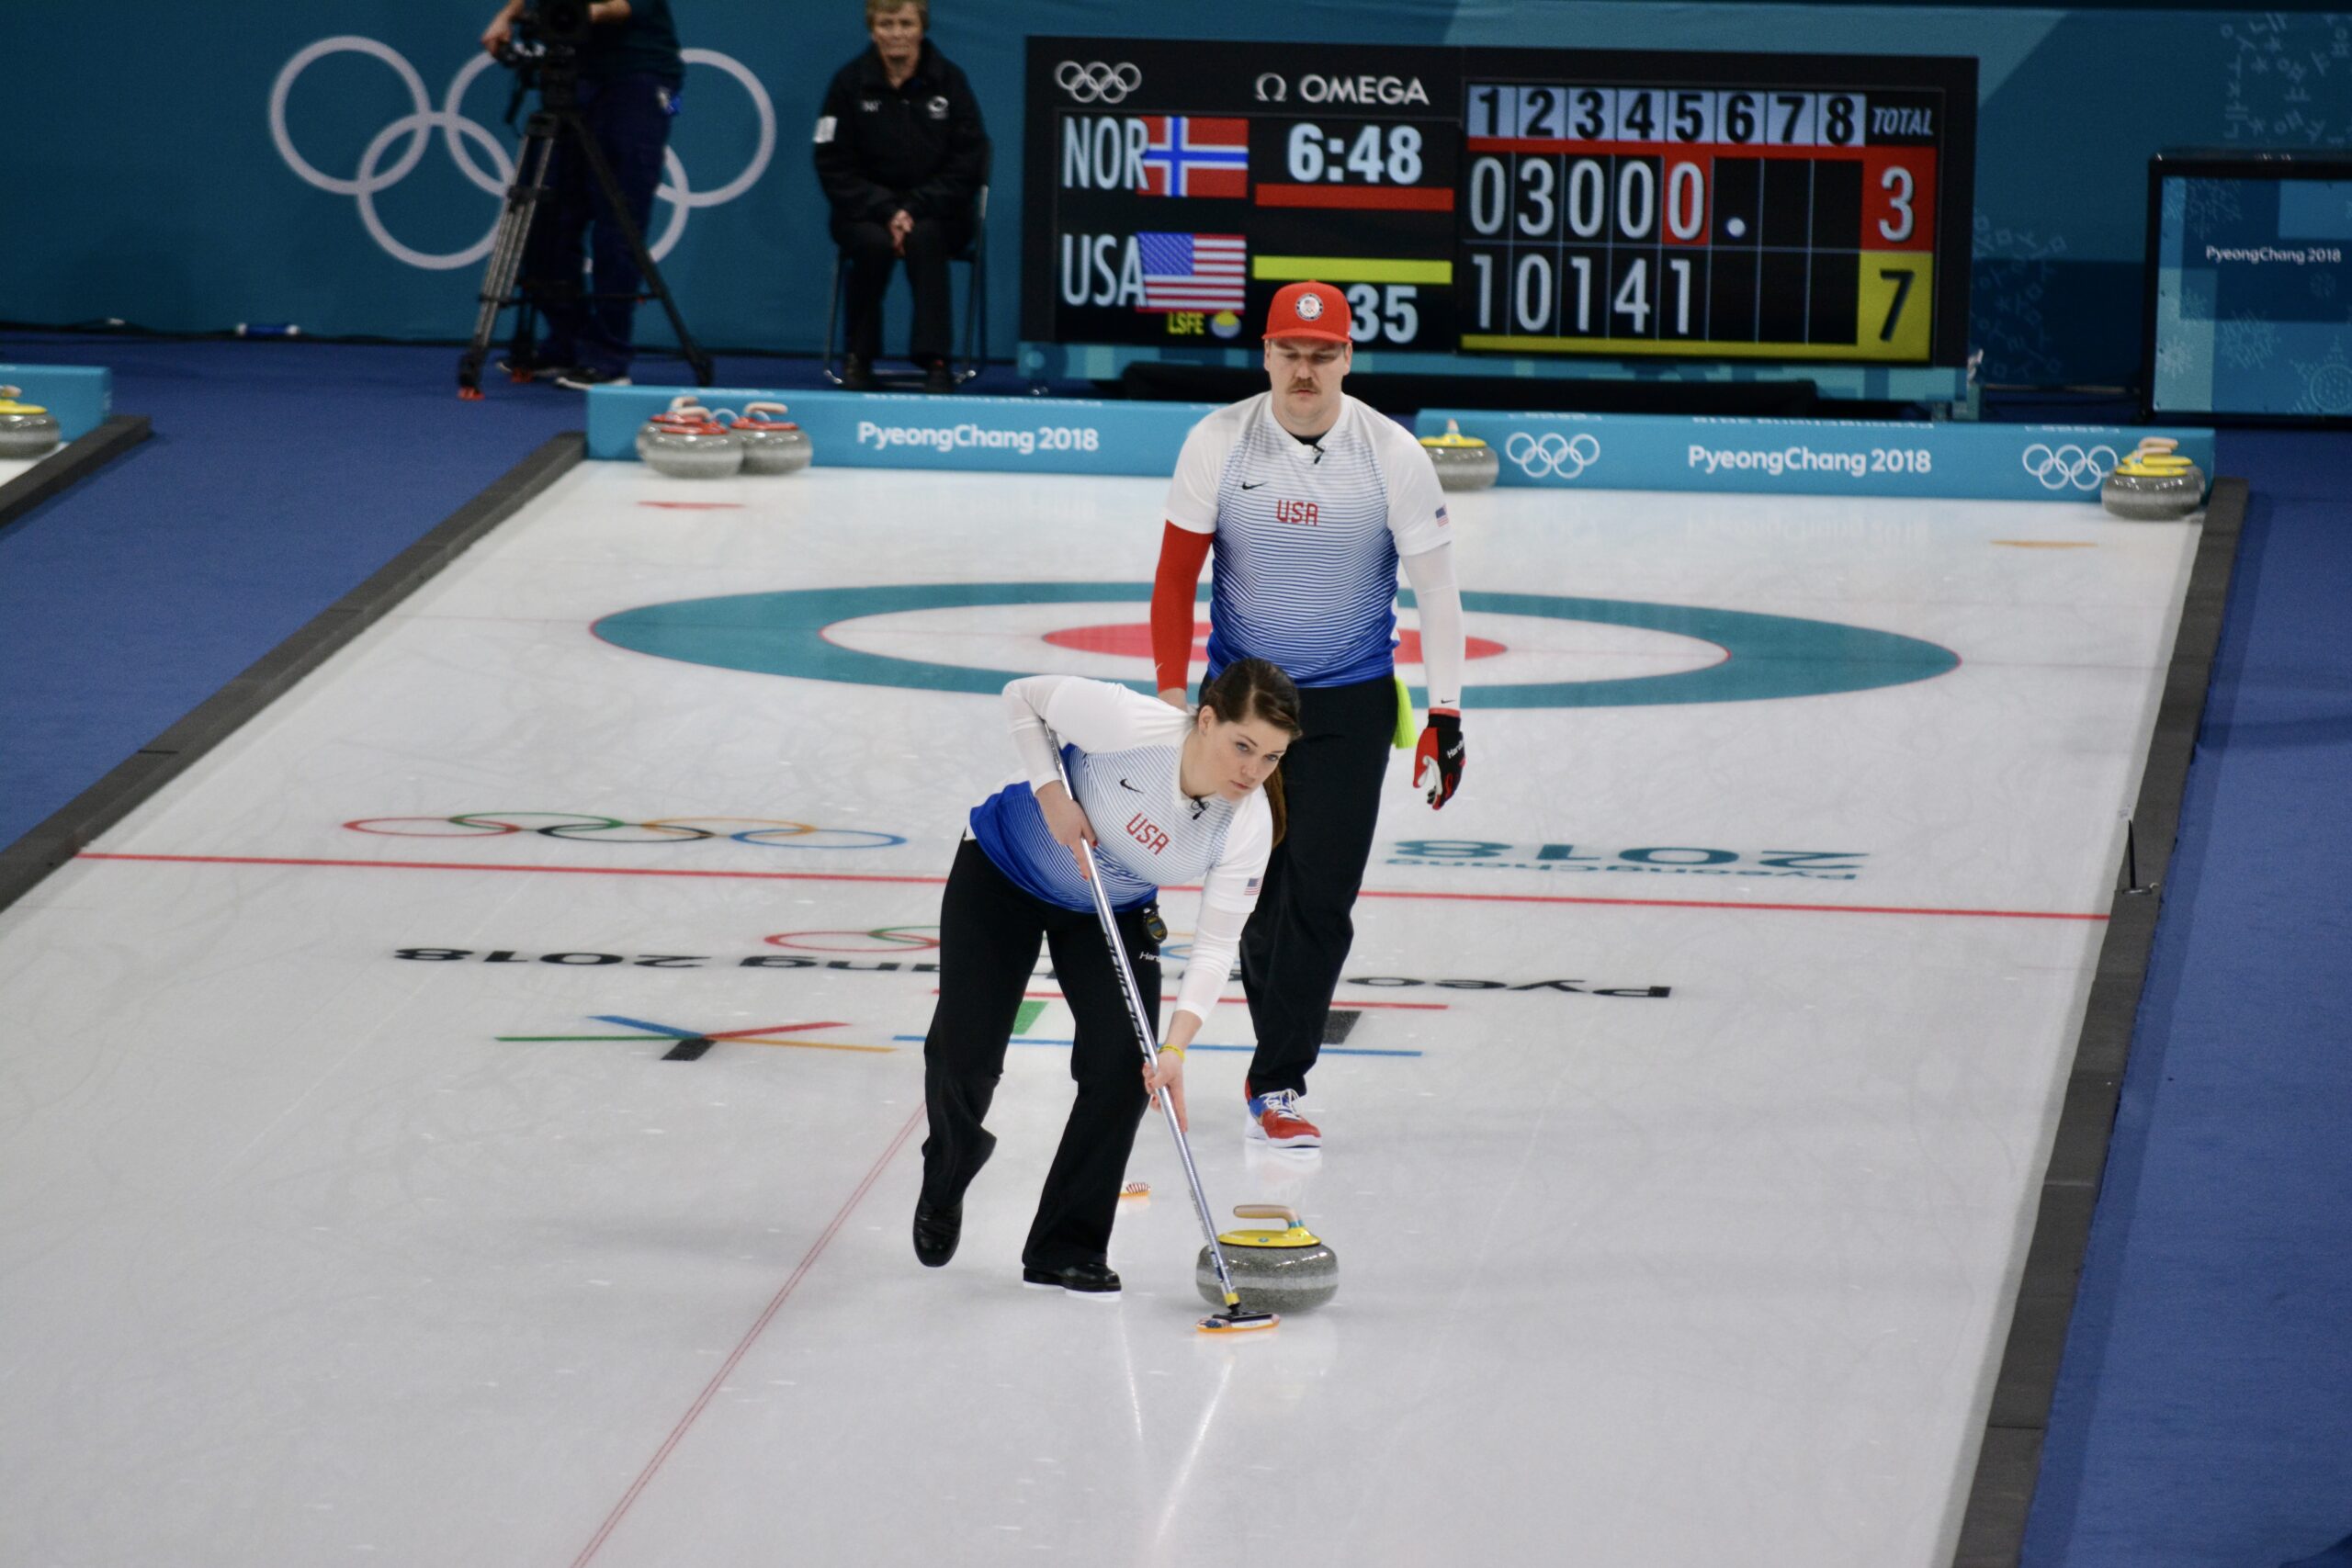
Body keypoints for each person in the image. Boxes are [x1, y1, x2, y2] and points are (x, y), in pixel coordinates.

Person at [1150, 280, 1468, 1152]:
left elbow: (1436, 589)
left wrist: (1445, 714)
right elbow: (1176, 577)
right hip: (1242, 704)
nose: (1305, 368)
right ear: (1264, 353)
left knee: (1320, 902)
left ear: (1348, 358)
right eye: (1290, 350)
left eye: (1323, 353)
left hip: (1349, 705)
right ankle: (1152, 1057)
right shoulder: (1217, 441)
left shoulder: (1393, 452)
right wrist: (1175, 701)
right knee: (1244, 894)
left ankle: (1278, 1076)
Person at [914, 660, 1303, 1295]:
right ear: (1206, 719)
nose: (1252, 771)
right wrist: (1053, 798)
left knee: (1128, 1065)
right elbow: (1022, 697)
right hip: (1002, 868)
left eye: (1270, 757)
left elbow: (1215, 944)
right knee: (967, 1053)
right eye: (1243, 745)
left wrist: (1175, 1046)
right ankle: (948, 1165)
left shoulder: (1248, 822)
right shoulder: (1134, 724)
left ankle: (1065, 1244)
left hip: (1109, 906)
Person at [480, 0, 684, 389]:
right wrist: (508, 15)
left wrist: (580, 12)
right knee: (544, 217)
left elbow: (621, 7)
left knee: (617, 222)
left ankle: (608, 357)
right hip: (574, 79)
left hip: (637, 80)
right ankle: (567, 341)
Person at [812, 0, 989, 394]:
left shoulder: (950, 81)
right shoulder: (849, 83)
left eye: (905, 23)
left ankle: (936, 361)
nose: (896, 32)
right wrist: (886, 209)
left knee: (926, 237)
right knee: (872, 244)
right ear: (873, 29)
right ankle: (859, 356)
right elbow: (831, 161)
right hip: (865, 211)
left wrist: (914, 207)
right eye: (886, 23)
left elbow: (969, 160)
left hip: (939, 211)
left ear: (921, 28)